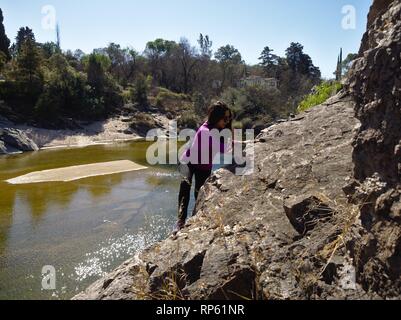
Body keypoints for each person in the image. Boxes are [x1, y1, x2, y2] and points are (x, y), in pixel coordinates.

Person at [175, 101, 233, 232]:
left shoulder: (219, 130)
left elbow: (227, 146)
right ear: (216, 117)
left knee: (199, 196)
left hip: (204, 167)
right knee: (185, 192)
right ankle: (180, 224)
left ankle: (194, 222)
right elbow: (225, 149)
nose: (227, 121)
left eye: (229, 118)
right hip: (188, 162)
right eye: (225, 118)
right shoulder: (205, 130)